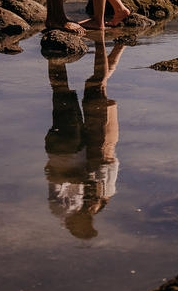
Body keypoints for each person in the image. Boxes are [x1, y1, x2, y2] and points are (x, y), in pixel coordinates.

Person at [44, 36, 124, 239]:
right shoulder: (96, 201)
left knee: (64, 93)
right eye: (89, 223)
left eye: (85, 225)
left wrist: (87, 181)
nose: (89, 218)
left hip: (67, 148)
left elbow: (57, 176)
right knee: (91, 88)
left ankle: (59, 57)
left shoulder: (63, 210)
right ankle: (109, 45)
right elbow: (96, 169)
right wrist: (91, 187)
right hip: (81, 148)